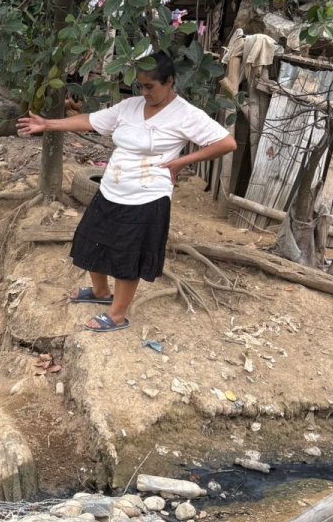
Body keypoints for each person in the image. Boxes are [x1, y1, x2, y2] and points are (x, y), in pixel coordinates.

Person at [16, 51, 236, 333]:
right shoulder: (129, 107)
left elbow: (227, 143)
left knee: (127, 255)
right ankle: (99, 293)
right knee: (90, 239)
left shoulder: (187, 115)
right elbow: (91, 121)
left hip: (147, 196)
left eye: (150, 87)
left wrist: (181, 162)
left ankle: (118, 315)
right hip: (111, 189)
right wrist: (48, 125)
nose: (144, 93)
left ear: (169, 81)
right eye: (140, 86)